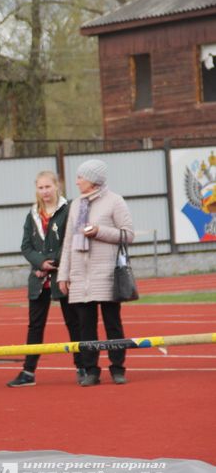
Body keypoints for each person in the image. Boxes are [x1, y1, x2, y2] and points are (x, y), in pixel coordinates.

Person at [58, 159, 134, 387]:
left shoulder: (115, 201)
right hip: (81, 275)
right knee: (85, 325)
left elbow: (128, 235)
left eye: (81, 177)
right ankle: (91, 370)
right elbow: (69, 242)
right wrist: (64, 274)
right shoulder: (75, 204)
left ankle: (118, 368)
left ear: (92, 180)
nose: (77, 181)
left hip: (107, 273)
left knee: (113, 323)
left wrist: (99, 232)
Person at [8, 171, 83, 387]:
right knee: (35, 326)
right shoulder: (32, 215)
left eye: (48, 187)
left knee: (74, 323)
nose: (44, 191)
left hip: (64, 277)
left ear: (56, 186)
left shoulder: (68, 211)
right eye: (40, 188)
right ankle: (28, 372)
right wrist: (40, 263)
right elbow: (26, 246)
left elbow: (71, 242)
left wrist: (54, 263)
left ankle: (82, 367)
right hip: (39, 280)